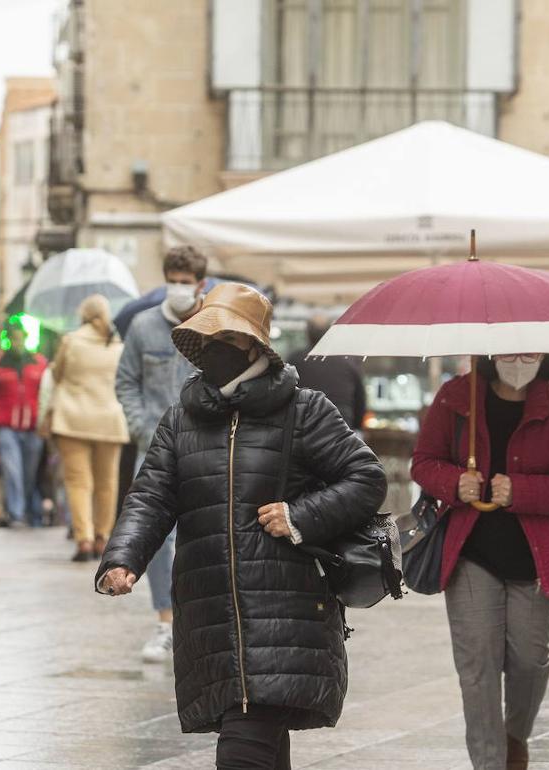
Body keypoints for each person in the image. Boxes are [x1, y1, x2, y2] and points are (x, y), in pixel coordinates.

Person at [97, 283, 386, 770]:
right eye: (207, 339)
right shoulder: (181, 420)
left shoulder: (305, 409)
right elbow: (150, 496)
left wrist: (299, 516)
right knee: (257, 737)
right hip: (210, 610)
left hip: (285, 610)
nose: (215, 349)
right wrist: (123, 558)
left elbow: (366, 478)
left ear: (255, 345)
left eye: (226, 338)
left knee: (244, 745)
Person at [411, 354, 549, 770]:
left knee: (530, 660)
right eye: (510, 351)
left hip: (533, 556)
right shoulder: (457, 397)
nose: (519, 361)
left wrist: (520, 490)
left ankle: (515, 736)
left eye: (530, 352)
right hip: (470, 553)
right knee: (478, 665)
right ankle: (490, 762)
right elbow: (424, 462)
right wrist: (454, 482)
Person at [114, 245, 207, 662]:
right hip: (153, 447)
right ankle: (165, 622)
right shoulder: (144, 326)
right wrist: (139, 427)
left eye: (186, 282)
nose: (178, 288)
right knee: (155, 534)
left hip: (203, 446)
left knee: (203, 531)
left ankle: (196, 619)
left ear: (200, 285)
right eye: (173, 281)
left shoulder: (211, 325)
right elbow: (126, 380)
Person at [50, 295, 129, 561]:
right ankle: (102, 538)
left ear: (83, 314)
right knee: (107, 482)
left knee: (78, 482)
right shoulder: (117, 345)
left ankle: (83, 539)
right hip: (109, 420)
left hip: (73, 420)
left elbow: (57, 375)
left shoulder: (71, 341)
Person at [0, 321, 49, 527]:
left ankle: (26, 509)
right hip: (6, 426)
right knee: (12, 469)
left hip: (33, 426)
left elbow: (46, 393)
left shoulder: (39, 363)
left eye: (20, 337)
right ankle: (16, 514)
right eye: (14, 338)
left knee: (29, 472)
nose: (18, 342)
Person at [287, 314, 367, 430]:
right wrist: (355, 427)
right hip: (341, 428)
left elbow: (284, 397)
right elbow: (360, 400)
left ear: (308, 334)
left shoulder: (295, 360)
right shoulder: (348, 361)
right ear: (329, 334)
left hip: (305, 427)